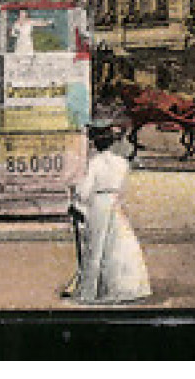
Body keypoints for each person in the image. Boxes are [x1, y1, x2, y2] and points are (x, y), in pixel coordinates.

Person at [64, 121, 151, 304]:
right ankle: (123, 287)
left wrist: (76, 199)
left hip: (98, 203)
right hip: (115, 203)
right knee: (117, 243)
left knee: (96, 246)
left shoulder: (94, 163)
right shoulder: (121, 163)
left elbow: (85, 190)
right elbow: (125, 188)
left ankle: (92, 290)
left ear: (95, 144)